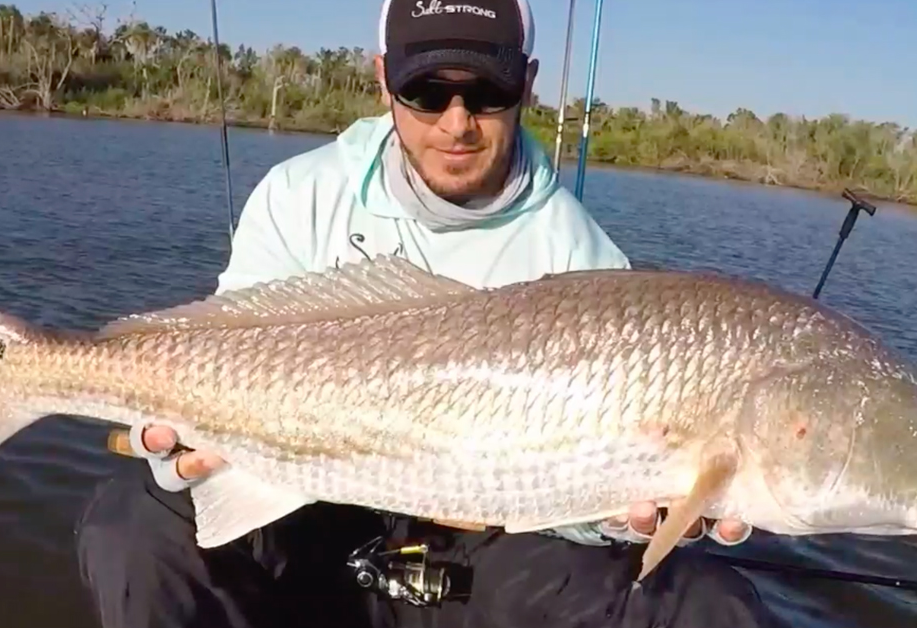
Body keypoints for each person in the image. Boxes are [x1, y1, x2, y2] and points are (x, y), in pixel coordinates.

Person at [75, 0, 778, 627]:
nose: (457, 123)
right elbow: (210, 363)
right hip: (299, 501)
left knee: (701, 605)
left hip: (484, 542)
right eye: (425, 91)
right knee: (134, 521)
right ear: (384, 79)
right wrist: (180, 453)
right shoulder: (300, 194)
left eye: (487, 92)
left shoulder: (583, 257)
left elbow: (587, 507)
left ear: (526, 85)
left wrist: (626, 525)